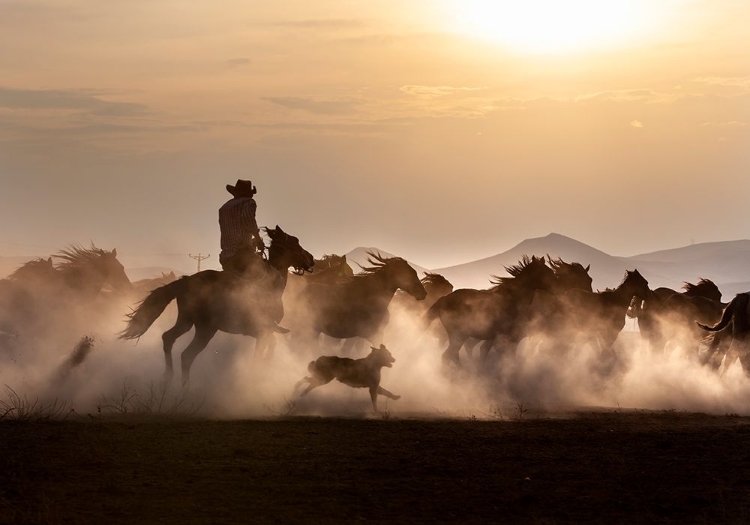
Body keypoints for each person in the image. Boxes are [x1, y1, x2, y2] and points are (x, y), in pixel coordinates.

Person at [219, 179, 265, 275]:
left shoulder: (224, 207)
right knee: (264, 275)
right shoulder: (248, 202)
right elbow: (248, 220)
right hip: (242, 253)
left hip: (225, 255)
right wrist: (258, 239)